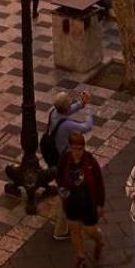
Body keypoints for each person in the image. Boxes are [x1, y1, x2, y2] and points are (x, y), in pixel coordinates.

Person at [43, 92, 95, 240]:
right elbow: (86, 126)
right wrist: (89, 110)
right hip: (64, 161)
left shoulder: (53, 112)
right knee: (68, 193)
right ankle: (60, 230)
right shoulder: (67, 125)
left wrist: (81, 104)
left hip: (54, 157)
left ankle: (62, 216)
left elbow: (67, 110)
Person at [57, 131, 105, 268]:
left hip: (88, 203)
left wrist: (100, 204)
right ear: (70, 147)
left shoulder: (90, 161)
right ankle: (80, 256)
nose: (78, 152)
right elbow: (59, 178)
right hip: (72, 203)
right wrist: (62, 192)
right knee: (74, 230)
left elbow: (99, 182)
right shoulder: (65, 160)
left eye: (80, 148)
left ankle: (99, 240)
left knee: (90, 231)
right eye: (75, 148)